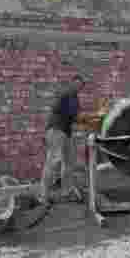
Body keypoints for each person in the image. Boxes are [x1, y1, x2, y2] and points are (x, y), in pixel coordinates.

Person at [38, 74, 85, 204]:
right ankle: (43, 196)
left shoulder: (74, 97)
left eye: (80, 85)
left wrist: (85, 119)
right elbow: (75, 116)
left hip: (65, 132)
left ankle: (67, 192)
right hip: (56, 131)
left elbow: (76, 116)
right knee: (53, 162)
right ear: (71, 83)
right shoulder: (68, 93)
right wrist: (90, 118)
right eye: (76, 84)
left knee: (68, 162)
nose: (78, 87)